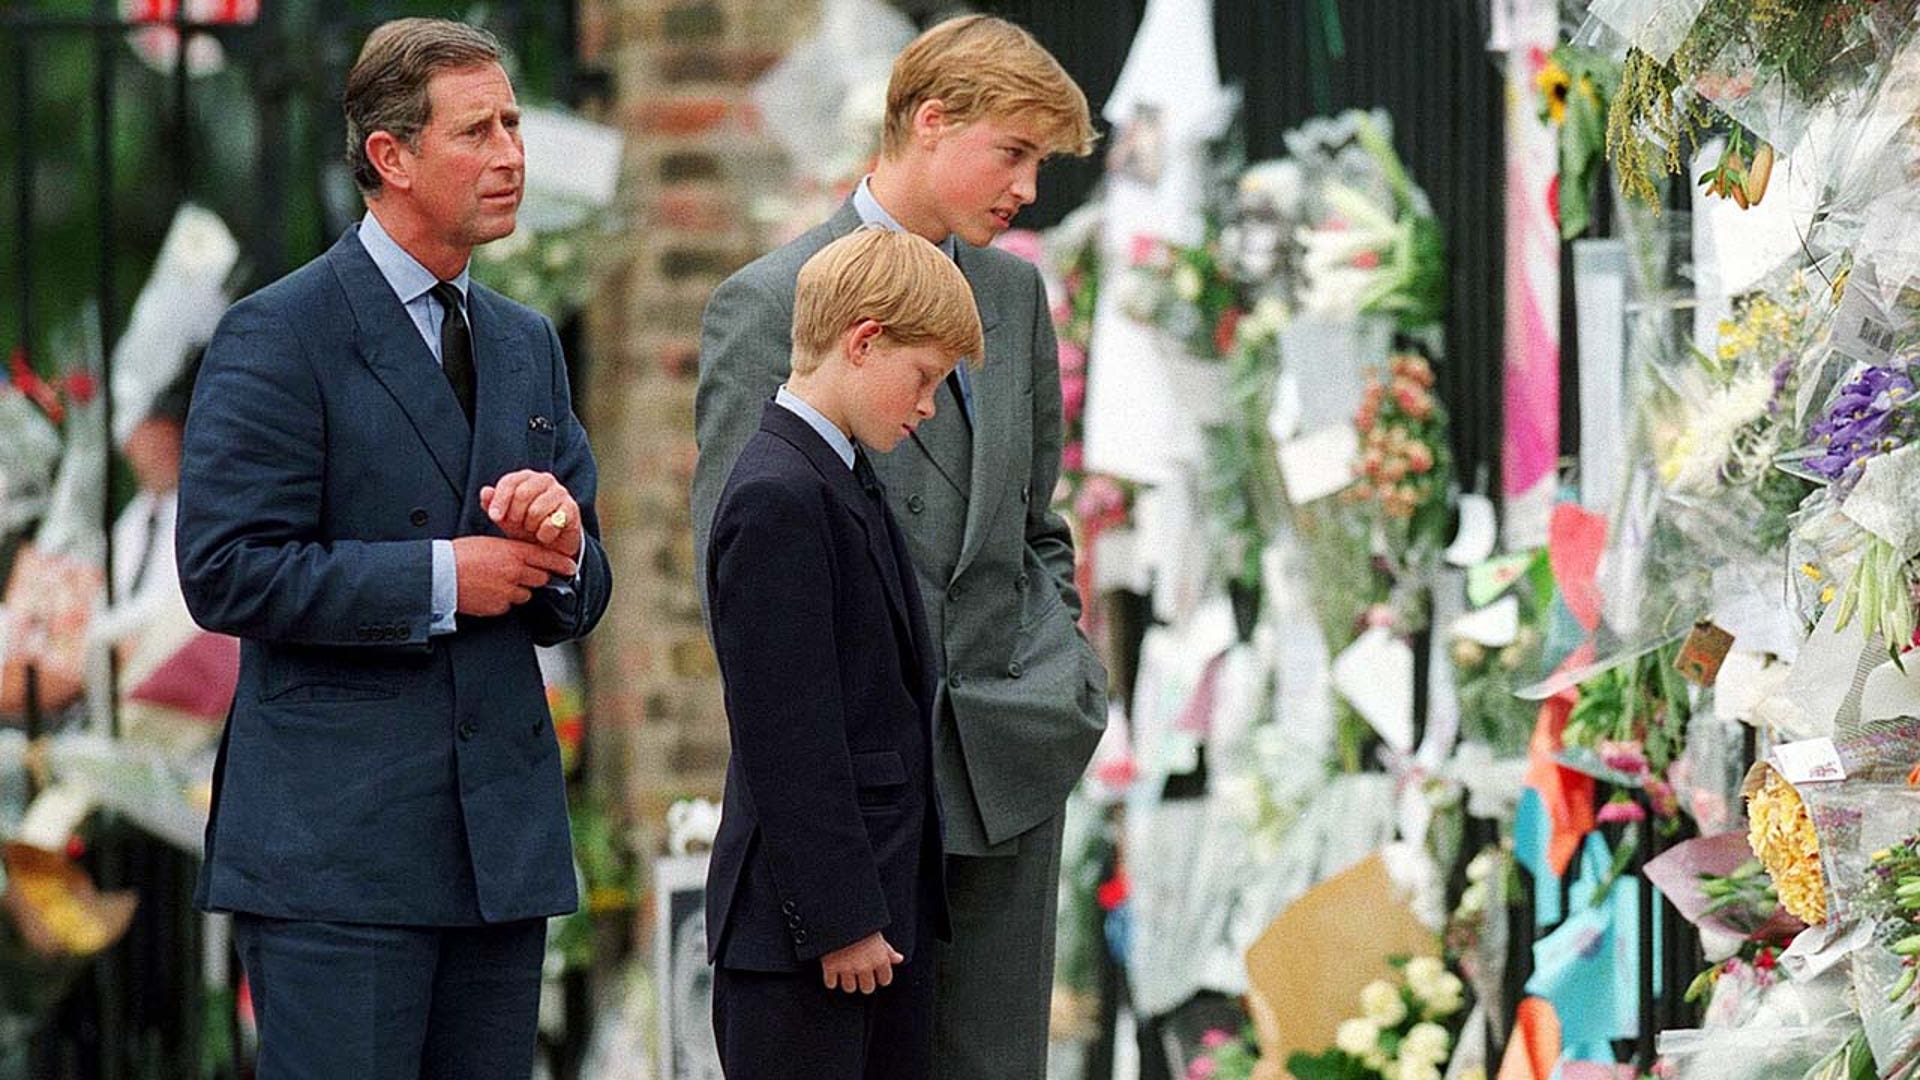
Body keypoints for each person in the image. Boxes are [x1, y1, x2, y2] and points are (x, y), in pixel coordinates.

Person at [175, 18, 611, 1078]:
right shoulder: (280, 334)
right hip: (337, 860)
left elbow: (579, 587)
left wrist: (559, 543)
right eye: (479, 130)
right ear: (391, 156)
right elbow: (225, 567)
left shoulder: (524, 340)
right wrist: (442, 578)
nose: (512, 152)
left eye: (513, 122)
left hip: (496, 851)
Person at [691, 15, 1106, 1078]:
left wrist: (1059, 667)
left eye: (1039, 163)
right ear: (929, 122)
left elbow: (1032, 522)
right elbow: (742, 577)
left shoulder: (1012, 293)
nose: (1027, 189)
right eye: (1013, 152)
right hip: (868, 792)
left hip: (1008, 762)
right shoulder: (774, 301)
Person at [704, 227, 978, 1078]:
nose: (929, 404)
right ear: (863, 341)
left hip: (865, 922)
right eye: (924, 376)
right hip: (809, 943)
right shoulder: (777, 494)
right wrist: (842, 918)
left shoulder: (833, 472)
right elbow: (788, 733)